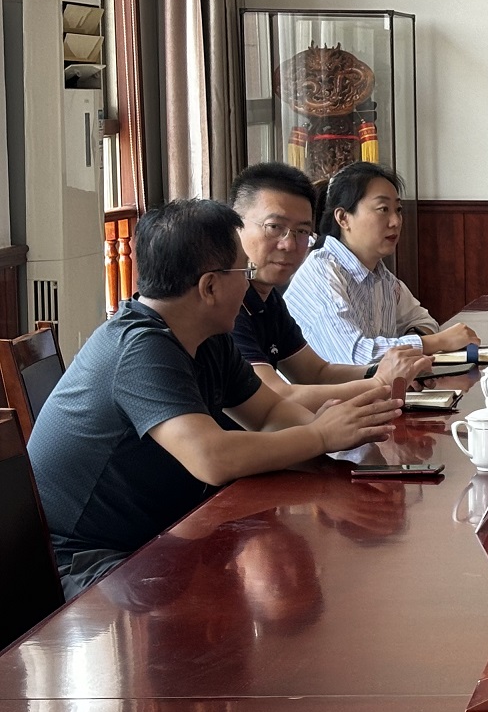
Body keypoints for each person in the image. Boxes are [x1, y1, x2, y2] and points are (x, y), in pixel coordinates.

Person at [28, 199, 401, 598]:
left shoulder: (205, 336)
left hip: (158, 535)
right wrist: (320, 436)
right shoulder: (140, 348)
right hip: (87, 560)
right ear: (209, 287)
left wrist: (333, 429)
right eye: (244, 271)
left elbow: (268, 412)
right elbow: (211, 458)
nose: (248, 283)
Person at [231, 163, 429, 407]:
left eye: (302, 231)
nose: (289, 244)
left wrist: (389, 372)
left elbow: (318, 373)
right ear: (235, 226)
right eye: (274, 227)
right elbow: (277, 397)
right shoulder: (227, 302)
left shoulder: (268, 300)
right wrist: (380, 382)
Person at [283, 161, 479, 366]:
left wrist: (410, 345)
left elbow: (423, 321)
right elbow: (355, 355)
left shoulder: (381, 275)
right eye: (383, 209)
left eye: (398, 209)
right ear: (343, 218)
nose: (396, 221)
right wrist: (435, 342)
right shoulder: (322, 271)